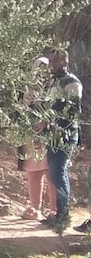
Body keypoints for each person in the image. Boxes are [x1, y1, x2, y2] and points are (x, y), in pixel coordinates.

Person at [43, 49, 82, 233]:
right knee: (54, 173)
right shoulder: (53, 82)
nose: (52, 65)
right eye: (51, 61)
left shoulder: (72, 82)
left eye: (56, 61)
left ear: (65, 62)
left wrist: (49, 119)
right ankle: (59, 214)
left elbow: (72, 110)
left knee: (58, 172)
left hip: (66, 133)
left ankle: (63, 216)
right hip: (52, 134)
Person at [17, 56, 52, 221]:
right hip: (30, 134)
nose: (42, 72)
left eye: (45, 68)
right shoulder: (27, 87)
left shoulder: (54, 87)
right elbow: (20, 108)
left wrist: (45, 121)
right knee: (33, 172)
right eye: (40, 68)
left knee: (51, 172)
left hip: (50, 136)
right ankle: (35, 208)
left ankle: (55, 211)